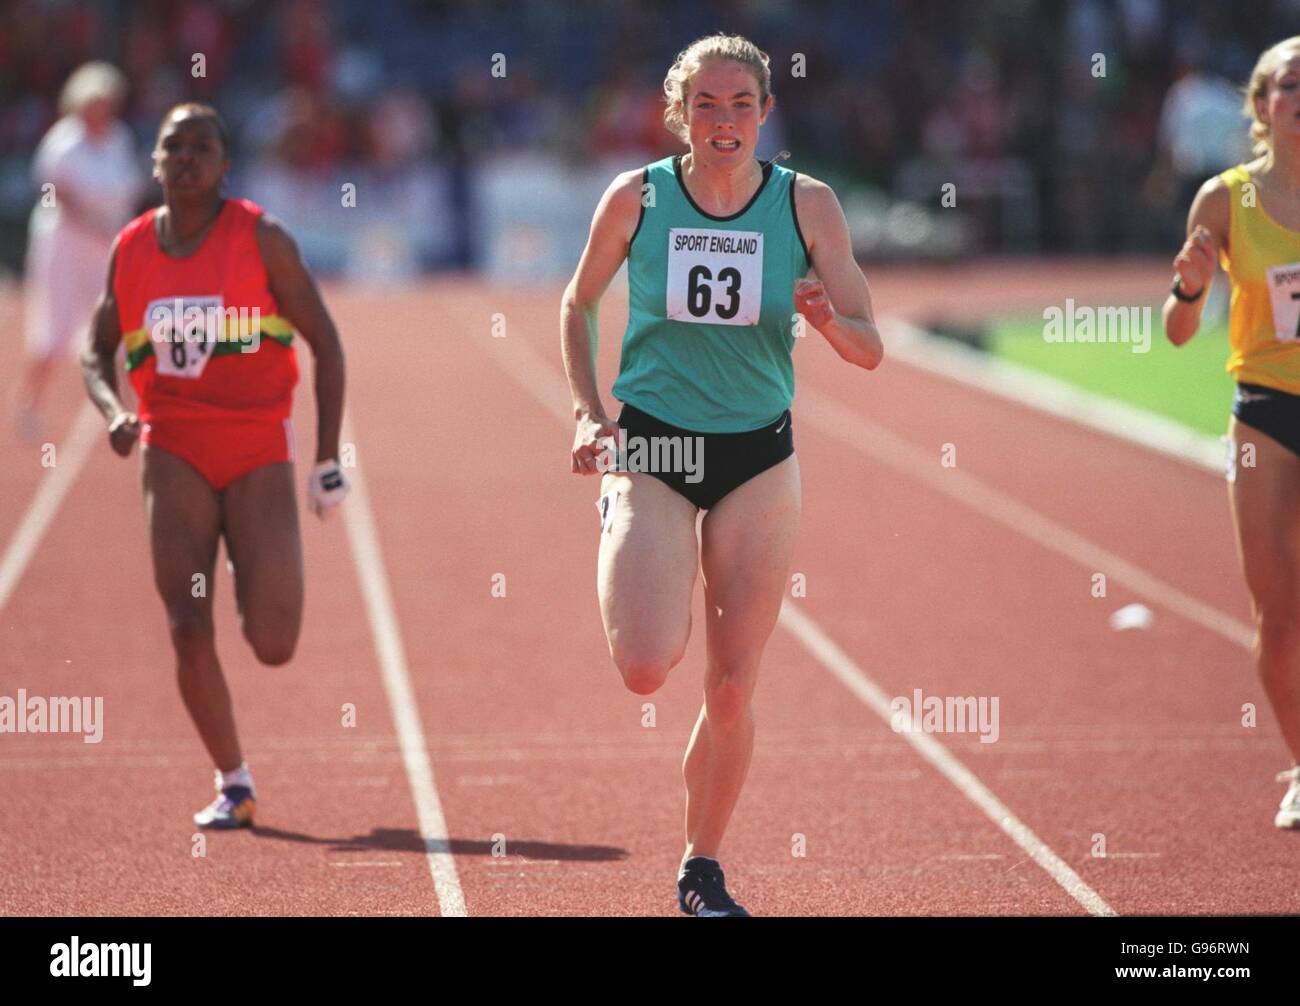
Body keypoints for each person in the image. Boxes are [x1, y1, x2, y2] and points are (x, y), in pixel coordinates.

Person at [561, 35, 882, 915]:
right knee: (644, 665)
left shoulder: (807, 206)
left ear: (766, 113)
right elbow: (578, 300)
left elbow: (870, 347)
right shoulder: (638, 197)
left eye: (742, 104)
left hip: (757, 457)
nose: (725, 120)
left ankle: (701, 868)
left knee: (733, 684)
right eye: (707, 103)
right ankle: (620, 511)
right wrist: (590, 413)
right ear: (679, 111)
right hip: (657, 449)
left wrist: (826, 319)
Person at [81, 103, 350, 829]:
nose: (188, 157)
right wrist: (111, 409)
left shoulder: (262, 239)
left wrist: (326, 458)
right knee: (184, 621)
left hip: (257, 444)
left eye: (203, 146)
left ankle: (248, 558)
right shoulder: (131, 248)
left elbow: (325, 341)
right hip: (172, 445)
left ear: (225, 166)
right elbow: (94, 345)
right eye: (174, 146)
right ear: (156, 163)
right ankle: (234, 782)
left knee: (273, 643)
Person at [1163, 37, 1300, 830]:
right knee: (1277, 614)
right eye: (1290, 85)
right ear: (1260, 106)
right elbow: (1181, 330)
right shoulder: (1224, 199)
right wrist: (1189, 283)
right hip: (1266, 413)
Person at [20, 62, 141, 439]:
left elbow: (129, 187)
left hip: (107, 246)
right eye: (97, 102)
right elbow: (54, 195)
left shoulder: (119, 138)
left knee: (118, 322)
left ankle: (129, 409)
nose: (104, 110)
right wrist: (93, 226)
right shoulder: (62, 144)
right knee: (54, 330)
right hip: (65, 246)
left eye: (109, 102)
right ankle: (29, 405)